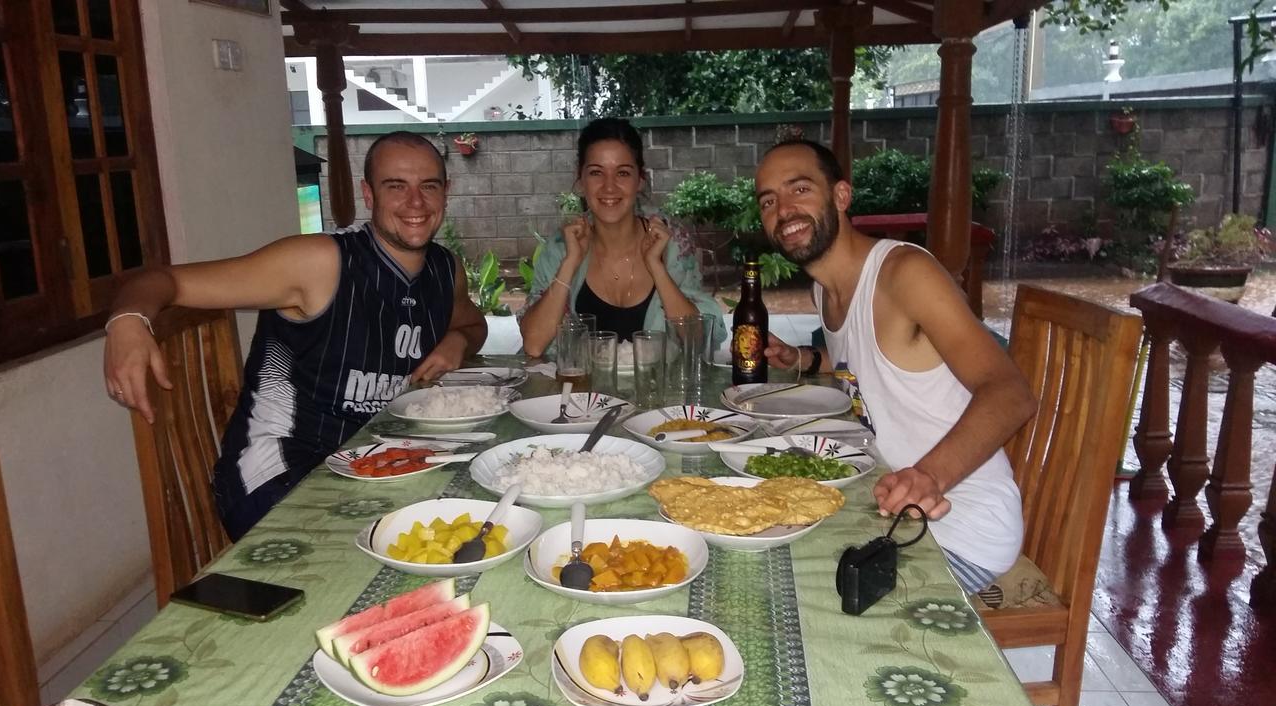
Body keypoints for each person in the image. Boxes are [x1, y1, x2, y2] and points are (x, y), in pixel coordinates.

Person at [103, 131, 487, 539]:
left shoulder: (444, 270)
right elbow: (164, 281)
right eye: (396, 186)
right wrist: (128, 320)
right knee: (392, 550)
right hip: (279, 470)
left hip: (372, 458)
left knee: (470, 511)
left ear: (447, 192)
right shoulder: (317, 263)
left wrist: (458, 340)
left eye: (428, 186)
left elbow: (473, 324)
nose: (415, 203)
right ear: (369, 194)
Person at [753, 139, 1036, 594]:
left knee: (800, 594)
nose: (783, 210)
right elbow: (873, 363)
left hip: (958, 529)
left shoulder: (904, 273)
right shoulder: (826, 290)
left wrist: (929, 477)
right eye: (769, 201)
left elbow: (1011, 392)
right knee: (759, 545)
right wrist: (805, 359)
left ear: (841, 196)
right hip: (888, 508)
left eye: (799, 189)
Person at [519, 118, 724, 356]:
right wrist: (569, 264)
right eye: (596, 172)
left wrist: (657, 268)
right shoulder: (561, 247)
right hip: (579, 391)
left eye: (623, 173)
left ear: (640, 180)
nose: (609, 187)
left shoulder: (672, 243)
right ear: (580, 181)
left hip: (658, 390)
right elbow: (534, 345)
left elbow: (697, 339)